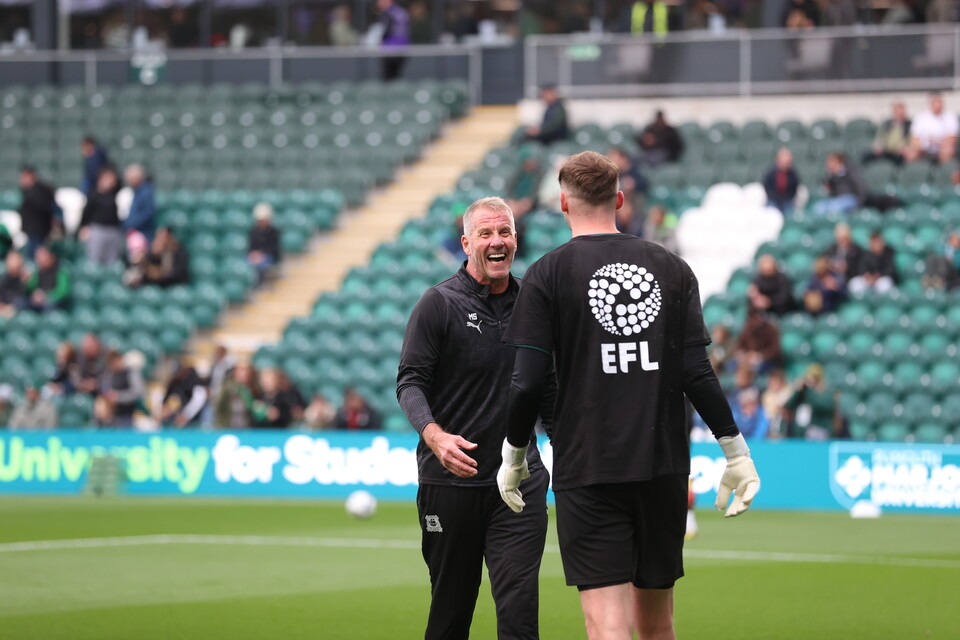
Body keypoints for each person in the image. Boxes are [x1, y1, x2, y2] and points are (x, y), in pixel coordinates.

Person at [496, 151, 759, 640]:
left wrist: (513, 455)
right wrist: (735, 451)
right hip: (662, 468)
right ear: (619, 199)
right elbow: (697, 372)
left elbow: (527, 380)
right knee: (658, 628)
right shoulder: (671, 267)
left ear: (562, 203)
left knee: (608, 627)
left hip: (589, 466)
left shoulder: (547, 275)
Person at [397, 195, 554, 640]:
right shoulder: (437, 304)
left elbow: (552, 393)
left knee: (519, 615)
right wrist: (435, 436)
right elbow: (409, 383)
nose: (497, 240)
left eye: (504, 231)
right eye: (486, 233)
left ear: (516, 239)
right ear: (467, 243)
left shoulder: (536, 307)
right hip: (450, 483)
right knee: (451, 614)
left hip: (519, 483)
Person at [784, 364, 848, 440]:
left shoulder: (826, 392)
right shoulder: (803, 393)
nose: (812, 382)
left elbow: (822, 405)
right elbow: (789, 406)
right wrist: (798, 391)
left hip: (820, 432)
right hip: (801, 433)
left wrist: (810, 390)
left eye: (815, 379)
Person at [79, 166, 123, 265]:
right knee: (95, 260)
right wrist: (83, 227)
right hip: (98, 230)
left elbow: (121, 184)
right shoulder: (94, 194)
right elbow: (86, 213)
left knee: (112, 262)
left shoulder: (114, 194)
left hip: (113, 230)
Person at [94, 349, 144, 428]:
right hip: (113, 415)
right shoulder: (111, 374)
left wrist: (119, 397)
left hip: (128, 414)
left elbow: (138, 393)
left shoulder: (131, 373)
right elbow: (105, 388)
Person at [905, 92, 958, 164]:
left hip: (942, 146)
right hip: (924, 147)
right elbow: (914, 138)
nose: (937, 105)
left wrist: (938, 142)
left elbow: (952, 138)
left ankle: (944, 172)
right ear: (930, 103)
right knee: (911, 152)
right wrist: (922, 145)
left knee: (948, 150)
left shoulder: (950, 116)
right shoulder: (920, 117)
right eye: (935, 102)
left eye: (939, 102)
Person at [18, 166, 57, 261]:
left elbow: (46, 209)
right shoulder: (28, 191)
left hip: (38, 232)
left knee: (35, 260)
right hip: (32, 231)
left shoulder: (39, 191)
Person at [20, 246, 70, 313]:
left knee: (48, 306)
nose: (40, 260)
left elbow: (62, 292)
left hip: (53, 302)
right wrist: (27, 282)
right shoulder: (37, 273)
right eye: (38, 257)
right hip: (38, 301)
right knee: (21, 304)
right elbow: (31, 288)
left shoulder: (61, 272)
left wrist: (46, 296)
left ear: (51, 257)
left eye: (43, 256)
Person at [848, 230, 897, 295]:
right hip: (869, 280)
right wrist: (866, 275)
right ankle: (861, 302)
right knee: (854, 282)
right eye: (874, 242)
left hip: (880, 279)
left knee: (886, 283)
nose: (876, 244)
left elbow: (890, 271)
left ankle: (882, 303)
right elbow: (861, 268)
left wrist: (878, 275)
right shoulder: (866, 254)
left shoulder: (888, 253)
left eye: (877, 242)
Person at [735, 308, 782, 374]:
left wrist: (759, 355)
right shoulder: (747, 329)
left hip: (766, 360)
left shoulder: (771, 330)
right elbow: (740, 346)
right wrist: (744, 355)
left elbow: (774, 350)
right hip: (748, 358)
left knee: (758, 367)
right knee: (733, 364)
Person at [213, 362, 260, 429]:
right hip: (228, 429)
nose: (245, 373)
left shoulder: (254, 389)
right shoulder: (227, 388)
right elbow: (218, 408)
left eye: (248, 370)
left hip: (247, 430)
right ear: (235, 371)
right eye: (242, 370)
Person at [160, 362, 208, 427]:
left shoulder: (193, 382)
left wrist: (186, 415)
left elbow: (197, 400)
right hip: (175, 415)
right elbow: (167, 398)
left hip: (192, 417)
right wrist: (165, 409)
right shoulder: (174, 383)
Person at [248, 202, 281, 286]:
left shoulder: (273, 232)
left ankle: (260, 285)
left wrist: (262, 253)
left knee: (261, 264)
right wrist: (254, 254)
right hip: (256, 256)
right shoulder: (253, 231)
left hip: (269, 256)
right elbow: (251, 246)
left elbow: (274, 248)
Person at [378, 0, 410, 81]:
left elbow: (386, 31)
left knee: (388, 78)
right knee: (396, 77)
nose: (378, 3)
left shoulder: (388, 13)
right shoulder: (402, 12)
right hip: (402, 49)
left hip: (389, 50)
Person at [123, 164, 157, 242]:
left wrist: (131, 224)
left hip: (143, 233)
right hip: (135, 232)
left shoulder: (146, 192)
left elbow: (148, 212)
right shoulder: (137, 191)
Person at [762, 148, 800, 214]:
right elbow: (767, 188)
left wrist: (785, 199)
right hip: (773, 200)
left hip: (787, 201)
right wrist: (777, 199)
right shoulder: (770, 173)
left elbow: (794, 190)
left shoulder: (793, 174)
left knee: (790, 212)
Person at [0, 250, 26, 318]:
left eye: (15, 259)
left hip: (19, 309)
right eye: (10, 259)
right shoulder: (2, 278)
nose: (12, 262)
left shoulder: (25, 278)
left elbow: (25, 297)